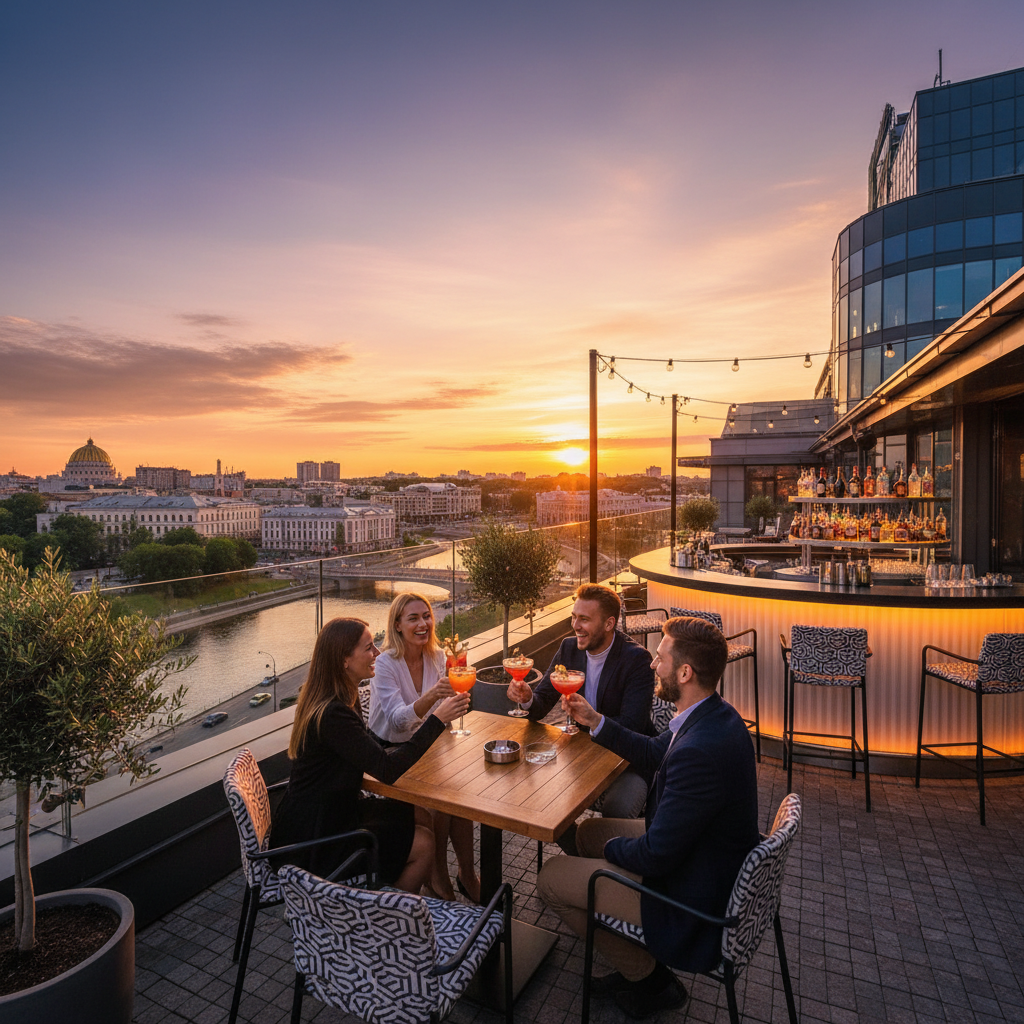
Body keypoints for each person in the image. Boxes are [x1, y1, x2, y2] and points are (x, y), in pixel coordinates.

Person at [537, 616, 759, 1018]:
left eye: (660, 658)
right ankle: (625, 938)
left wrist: (612, 851)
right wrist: (594, 720)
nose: (653, 665)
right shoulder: (712, 715)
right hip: (700, 855)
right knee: (586, 832)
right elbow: (654, 752)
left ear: (685, 672)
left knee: (551, 878)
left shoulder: (700, 752)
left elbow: (656, 856)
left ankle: (649, 977)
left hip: (688, 893)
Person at [270, 616, 468, 892]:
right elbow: (386, 770)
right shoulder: (333, 713)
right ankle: (382, 916)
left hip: (333, 812)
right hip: (313, 840)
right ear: (344, 660)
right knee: (422, 844)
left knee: (421, 815)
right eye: (368, 648)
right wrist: (437, 719)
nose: (376, 653)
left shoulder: (336, 699)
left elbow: (368, 758)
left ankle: (434, 888)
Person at [506, 583, 654, 839]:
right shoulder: (568, 648)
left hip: (626, 761)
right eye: (574, 617)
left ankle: (608, 867)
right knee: (534, 794)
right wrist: (528, 698)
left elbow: (633, 725)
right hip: (581, 755)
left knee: (617, 808)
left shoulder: (636, 659)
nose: (575, 625)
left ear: (609, 624)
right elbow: (541, 702)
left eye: (584, 619)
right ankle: (580, 852)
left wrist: (594, 720)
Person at [368, 592, 481, 902]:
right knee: (440, 803)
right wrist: (434, 697)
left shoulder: (436, 657)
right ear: (398, 625)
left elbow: (439, 713)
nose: (423, 624)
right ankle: (439, 880)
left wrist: (451, 703)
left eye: (427, 616)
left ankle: (467, 874)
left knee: (461, 799)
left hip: (426, 747)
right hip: (389, 754)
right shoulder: (384, 664)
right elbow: (397, 721)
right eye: (413, 618)